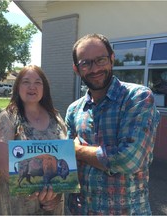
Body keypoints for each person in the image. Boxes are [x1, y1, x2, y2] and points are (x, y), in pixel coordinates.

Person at [65, 33, 160, 215]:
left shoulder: (137, 98)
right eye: (86, 63)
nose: (94, 69)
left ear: (112, 59)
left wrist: (77, 150)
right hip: (82, 210)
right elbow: (67, 164)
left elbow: (129, 159)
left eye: (100, 60)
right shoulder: (74, 110)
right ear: (77, 69)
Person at [0, 65, 67, 215]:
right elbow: (4, 166)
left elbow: (66, 156)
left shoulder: (55, 117)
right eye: (26, 82)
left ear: (44, 88)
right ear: (18, 87)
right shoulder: (7, 118)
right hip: (18, 205)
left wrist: (55, 195)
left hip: (52, 204)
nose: (32, 87)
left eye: (38, 82)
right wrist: (38, 192)